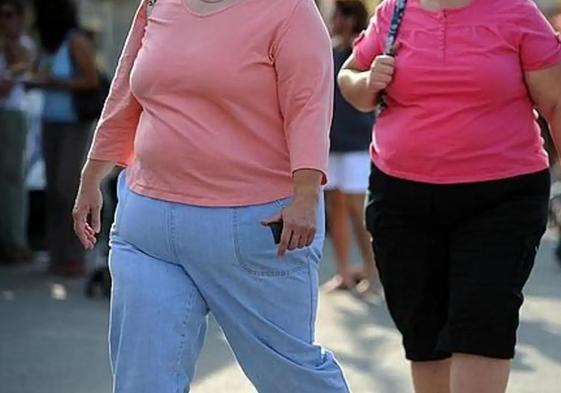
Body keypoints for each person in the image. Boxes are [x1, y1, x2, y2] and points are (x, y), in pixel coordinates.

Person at [73, 0, 350, 392]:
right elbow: (125, 90)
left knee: (291, 377)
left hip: (252, 227)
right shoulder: (156, 4)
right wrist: (93, 173)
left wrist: (306, 195)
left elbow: (308, 106)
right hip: (147, 228)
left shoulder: (289, 10)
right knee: (143, 381)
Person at [338, 0, 561, 392]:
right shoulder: (395, 11)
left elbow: (556, 104)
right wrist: (368, 80)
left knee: (483, 321)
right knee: (423, 331)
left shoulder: (517, 12)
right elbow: (350, 78)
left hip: (500, 200)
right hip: (402, 199)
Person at [31, 0, 99, 277]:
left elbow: (92, 79)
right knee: (53, 192)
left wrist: (55, 84)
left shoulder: (75, 42)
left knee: (66, 187)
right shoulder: (47, 46)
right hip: (50, 122)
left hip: (73, 124)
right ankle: (57, 254)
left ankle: (75, 254)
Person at [324, 0, 378, 294]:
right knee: (336, 212)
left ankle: (372, 271)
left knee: (358, 212)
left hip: (358, 142)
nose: (334, 20)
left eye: (340, 15)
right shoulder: (328, 50)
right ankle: (343, 272)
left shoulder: (365, 48)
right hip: (331, 142)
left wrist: (350, 42)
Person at [0, 0, 34, 264]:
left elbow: (12, 78)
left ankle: (15, 240)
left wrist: (9, 41)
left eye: (9, 15)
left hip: (11, 114)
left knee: (12, 179)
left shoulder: (23, 44)